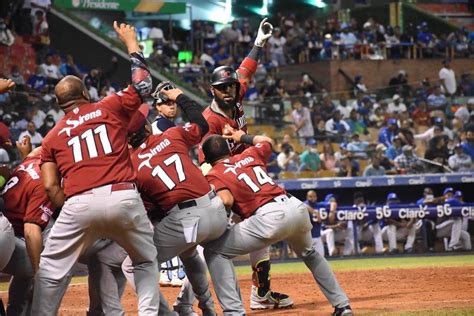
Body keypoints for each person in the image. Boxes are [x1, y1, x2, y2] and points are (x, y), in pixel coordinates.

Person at [31, 22, 160, 314]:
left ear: (58, 103)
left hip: (78, 203)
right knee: (145, 260)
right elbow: (143, 85)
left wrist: (78, 212)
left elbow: (51, 186)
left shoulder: (51, 137)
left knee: (51, 272)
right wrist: (131, 42)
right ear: (86, 94)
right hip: (123, 196)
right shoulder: (109, 105)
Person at [196, 18, 294, 310]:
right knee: (210, 239)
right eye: (222, 87)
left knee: (259, 228)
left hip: (243, 171)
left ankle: (261, 294)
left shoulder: (236, 98)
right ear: (212, 90)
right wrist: (214, 193)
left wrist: (258, 43)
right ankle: (189, 296)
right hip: (222, 179)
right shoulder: (209, 120)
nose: (229, 90)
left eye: (231, 86)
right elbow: (204, 163)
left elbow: (246, 70)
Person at [201, 130, 353, 316]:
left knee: (215, 251)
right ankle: (342, 306)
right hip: (296, 207)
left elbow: (226, 201)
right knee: (310, 253)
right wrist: (241, 137)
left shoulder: (214, 174)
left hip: (268, 217)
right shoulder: (248, 154)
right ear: (230, 149)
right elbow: (266, 140)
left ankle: (234, 312)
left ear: (207, 159)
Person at [124, 88, 229, 315]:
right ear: (147, 127)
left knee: (131, 264)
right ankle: (207, 308)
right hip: (216, 210)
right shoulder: (172, 135)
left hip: (187, 219)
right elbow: (200, 123)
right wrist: (180, 95)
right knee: (189, 252)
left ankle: (167, 314)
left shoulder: (132, 166)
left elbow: (150, 209)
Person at [304, 190, 325, 256]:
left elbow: (333, 203)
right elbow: (302, 204)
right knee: (308, 259)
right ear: (307, 197)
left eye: (314, 196)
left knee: (321, 256)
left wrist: (332, 211)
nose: (312, 198)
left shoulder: (319, 205)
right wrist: (314, 212)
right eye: (310, 196)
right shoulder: (304, 205)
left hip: (317, 237)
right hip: (307, 238)